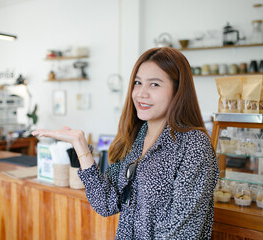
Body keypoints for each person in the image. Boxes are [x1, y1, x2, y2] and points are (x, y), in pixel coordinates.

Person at [32, 47, 219, 240]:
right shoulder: (136, 138)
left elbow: (184, 234)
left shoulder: (194, 145)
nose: (141, 93)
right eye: (138, 83)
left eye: (154, 84)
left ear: (178, 89)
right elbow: (105, 203)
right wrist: (80, 144)